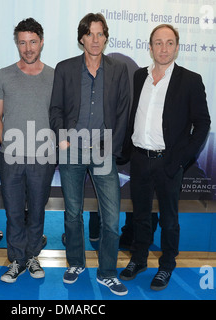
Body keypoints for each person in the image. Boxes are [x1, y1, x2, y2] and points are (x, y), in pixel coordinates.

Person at [119, 24, 211, 291]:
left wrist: (181, 159)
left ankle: (167, 264)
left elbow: (202, 123)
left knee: (170, 219)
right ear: (150, 47)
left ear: (177, 47)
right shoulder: (139, 76)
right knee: (141, 215)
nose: (163, 48)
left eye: (169, 43)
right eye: (158, 43)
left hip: (169, 162)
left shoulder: (190, 80)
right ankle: (139, 259)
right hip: (139, 158)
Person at [50, 13, 130, 296]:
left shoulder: (119, 70)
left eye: (100, 34)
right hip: (72, 150)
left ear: (106, 37)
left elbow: (123, 112)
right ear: (81, 37)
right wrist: (62, 137)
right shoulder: (65, 68)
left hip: (103, 150)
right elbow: (56, 109)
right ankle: (75, 263)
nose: (95, 40)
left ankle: (107, 272)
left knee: (111, 218)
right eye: (90, 34)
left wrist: (111, 146)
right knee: (72, 213)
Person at [0, 18, 55, 283]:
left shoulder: (54, 76)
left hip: (43, 158)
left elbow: (60, 116)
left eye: (32, 42)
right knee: (14, 211)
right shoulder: (4, 75)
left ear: (41, 42)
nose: (28, 48)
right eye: (22, 42)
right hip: (11, 157)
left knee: (37, 210)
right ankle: (16, 260)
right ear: (17, 43)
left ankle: (32, 256)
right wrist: (10, 147)